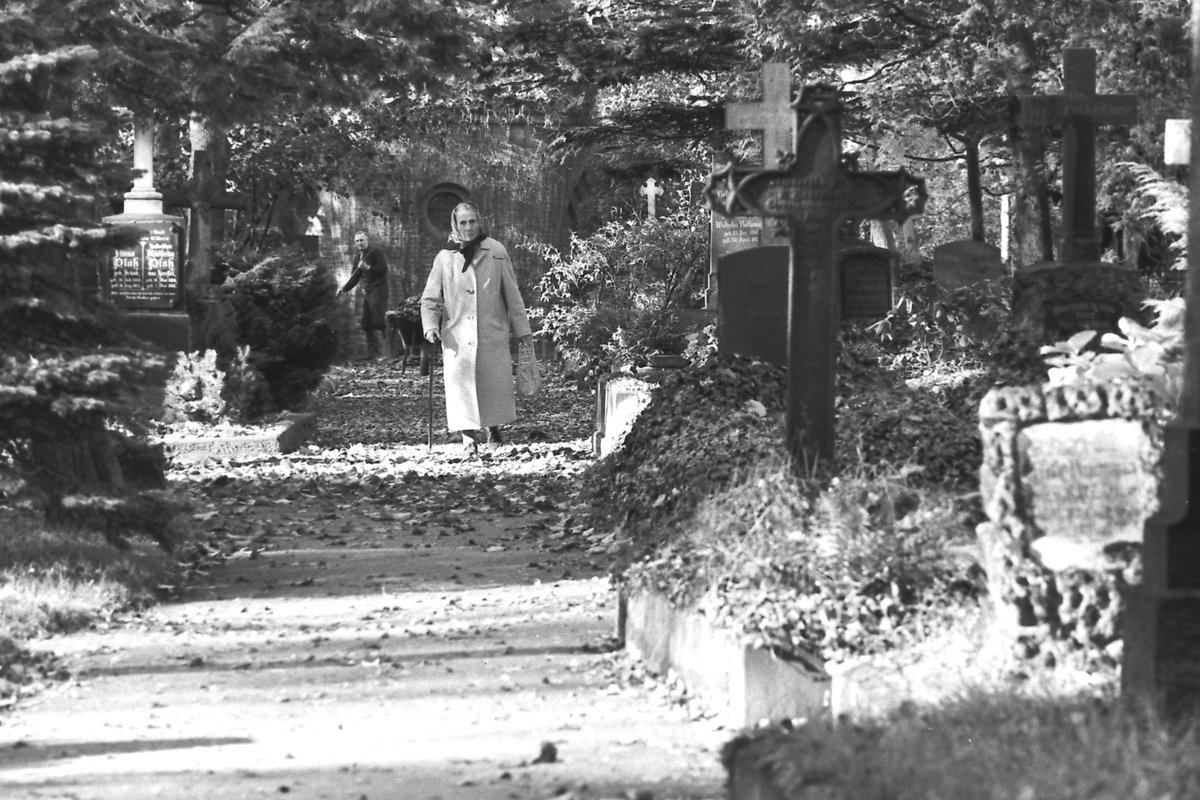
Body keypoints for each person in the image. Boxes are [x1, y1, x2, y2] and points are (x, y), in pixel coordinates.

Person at [420, 202, 532, 454]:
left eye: (472, 221)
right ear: (455, 225)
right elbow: (430, 299)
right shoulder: (444, 258)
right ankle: (468, 437)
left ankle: (492, 427)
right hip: (456, 336)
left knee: (491, 383)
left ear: (479, 222)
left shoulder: (496, 251)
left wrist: (522, 330)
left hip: (492, 332)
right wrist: (430, 327)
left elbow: (512, 294)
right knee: (461, 386)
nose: (468, 227)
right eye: (463, 222)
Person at [337, 230, 390, 360]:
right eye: (357, 241)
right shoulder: (357, 258)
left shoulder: (375, 253)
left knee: (378, 318)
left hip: (379, 288)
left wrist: (369, 268)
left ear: (367, 241)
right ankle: (372, 353)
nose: (359, 243)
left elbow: (384, 269)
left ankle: (388, 352)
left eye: (362, 240)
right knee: (366, 321)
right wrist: (343, 289)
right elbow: (354, 278)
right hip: (369, 291)